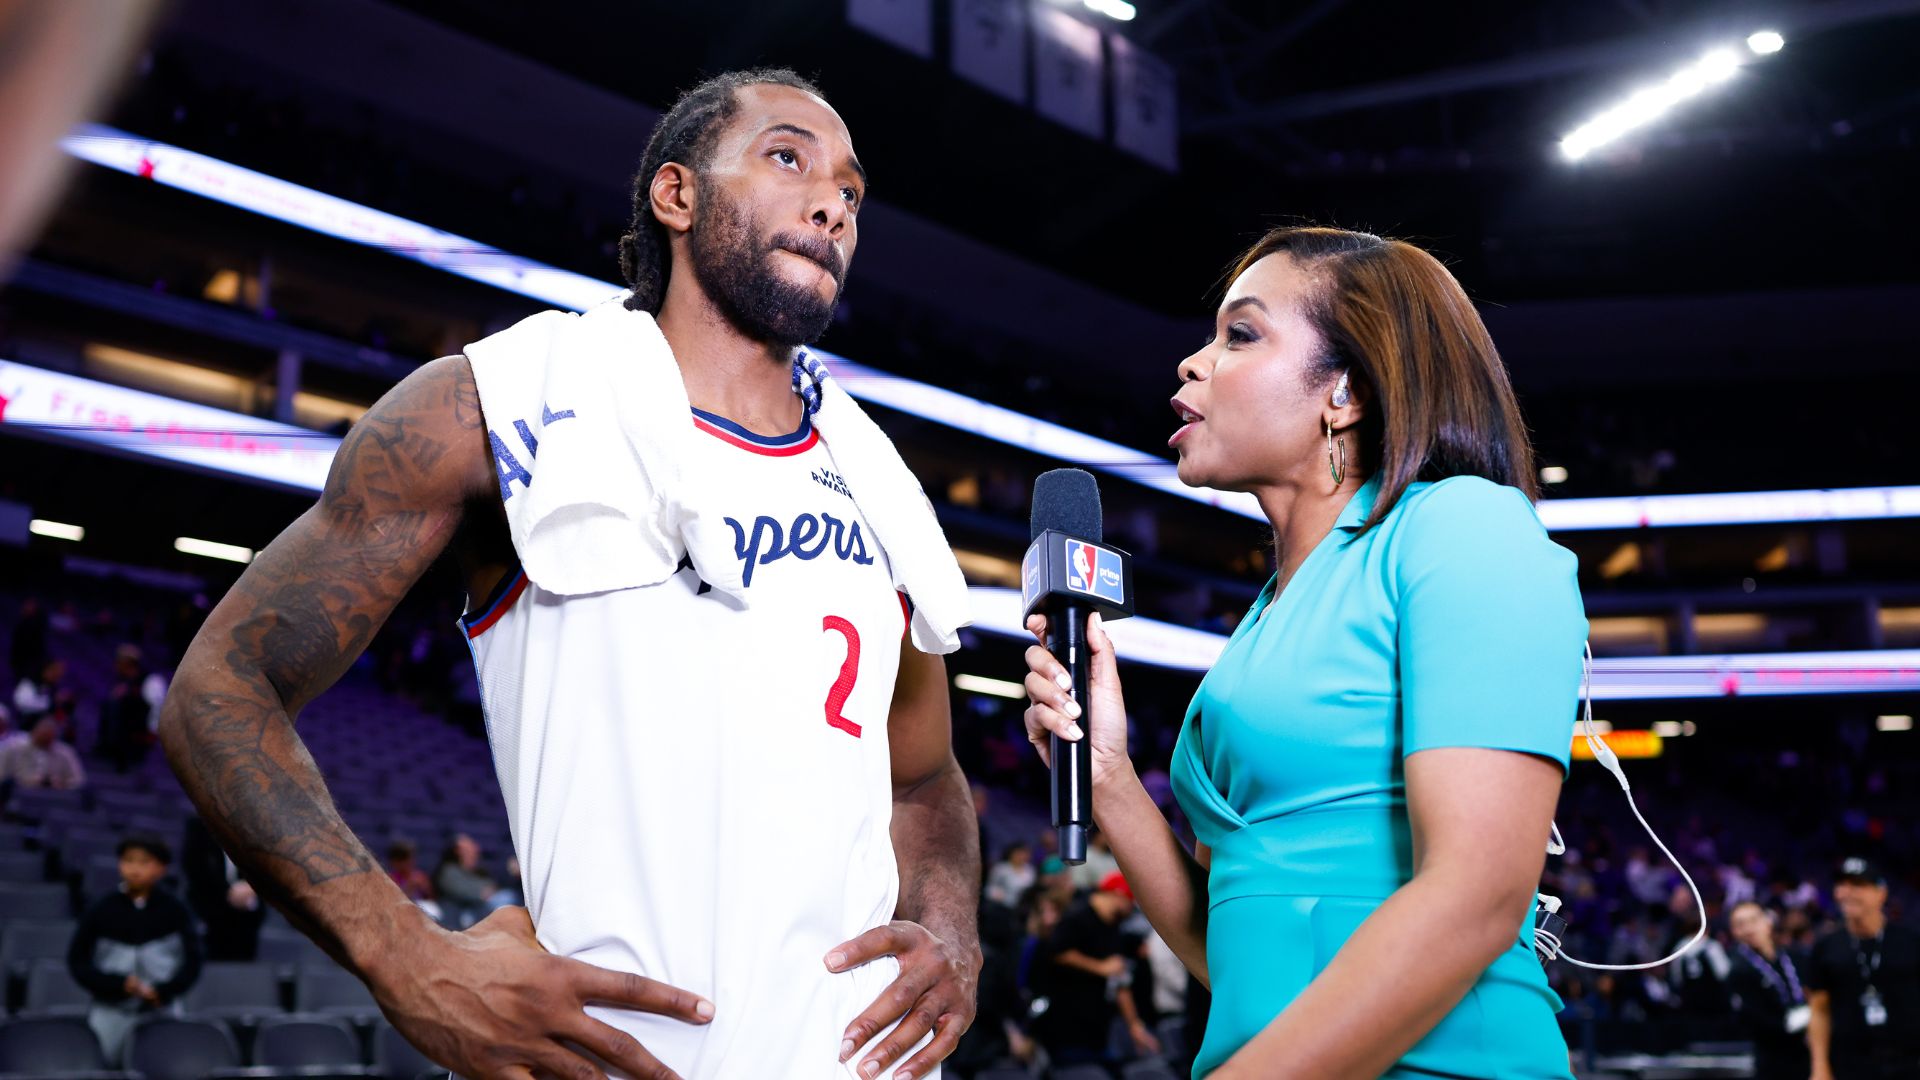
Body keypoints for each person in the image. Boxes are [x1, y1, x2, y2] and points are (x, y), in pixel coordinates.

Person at [159, 68, 979, 1080]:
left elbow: (923, 775)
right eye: (788, 159)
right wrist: (407, 958)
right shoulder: (502, 405)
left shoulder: (879, 483)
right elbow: (220, 687)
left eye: (851, 192)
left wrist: (950, 929)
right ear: (676, 194)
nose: (834, 206)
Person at [1021, 226, 1587, 1078]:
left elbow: (1477, 897)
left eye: (1240, 334)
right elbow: (1237, 954)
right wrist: (1107, 776)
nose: (1192, 363)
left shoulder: (1463, 526)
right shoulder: (1263, 620)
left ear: (1345, 392)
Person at [67, 833, 201, 1061]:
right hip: (110, 1010)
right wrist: (117, 985)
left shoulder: (176, 910)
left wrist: (164, 991)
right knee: (103, 1064)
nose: (135, 868)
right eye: (128, 861)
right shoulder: (101, 909)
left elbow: (193, 961)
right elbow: (78, 961)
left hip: (163, 1008)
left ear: (161, 868)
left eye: (144, 862)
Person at [1807, 857, 1920, 1079]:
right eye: (1842, 885)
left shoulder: (1911, 940)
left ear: (1881, 893)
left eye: (1858, 885)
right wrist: (1819, 1066)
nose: (1847, 892)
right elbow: (1819, 1010)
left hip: (1910, 1062)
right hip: (1850, 1065)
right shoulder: (1826, 946)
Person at [1034, 872, 1158, 1067]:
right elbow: (1056, 952)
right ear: (1118, 895)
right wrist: (1100, 967)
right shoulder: (1077, 916)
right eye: (1129, 902)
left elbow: (1119, 978)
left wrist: (1134, 1025)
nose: (1130, 909)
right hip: (1068, 1026)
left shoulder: (1113, 925)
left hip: (1098, 1026)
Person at [1725, 900, 1811, 1080]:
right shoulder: (1738, 970)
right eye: (1740, 924)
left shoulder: (1793, 956)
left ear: (1768, 921)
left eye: (1753, 920)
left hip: (1808, 1053)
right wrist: (1791, 1027)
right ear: (1734, 931)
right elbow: (1752, 1018)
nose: (1749, 929)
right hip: (1773, 1057)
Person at [181, 816, 265, 962]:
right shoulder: (200, 824)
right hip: (211, 909)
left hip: (249, 911)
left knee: (245, 963)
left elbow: (267, 862)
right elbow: (194, 865)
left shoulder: (256, 821)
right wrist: (229, 892)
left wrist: (252, 886)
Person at [431, 834, 500, 929]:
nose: (475, 850)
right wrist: (481, 894)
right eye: (469, 848)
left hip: (478, 911)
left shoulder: (480, 871)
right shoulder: (448, 871)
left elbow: (491, 887)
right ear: (457, 851)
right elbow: (461, 891)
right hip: (454, 915)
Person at [0, 715, 86, 789]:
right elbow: (2, 775)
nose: (45, 739)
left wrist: (62, 784)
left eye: (49, 737)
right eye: (42, 736)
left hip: (55, 796)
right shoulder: (13, 749)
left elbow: (78, 780)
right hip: (19, 794)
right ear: (34, 732)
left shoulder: (65, 752)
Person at [985, 842, 1036, 908]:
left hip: (1023, 906)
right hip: (1001, 905)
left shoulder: (1030, 870)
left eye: (1024, 854)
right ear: (1011, 854)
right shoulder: (1000, 868)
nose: (1021, 857)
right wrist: (996, 895)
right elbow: (990, 888)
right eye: (1018, 854)